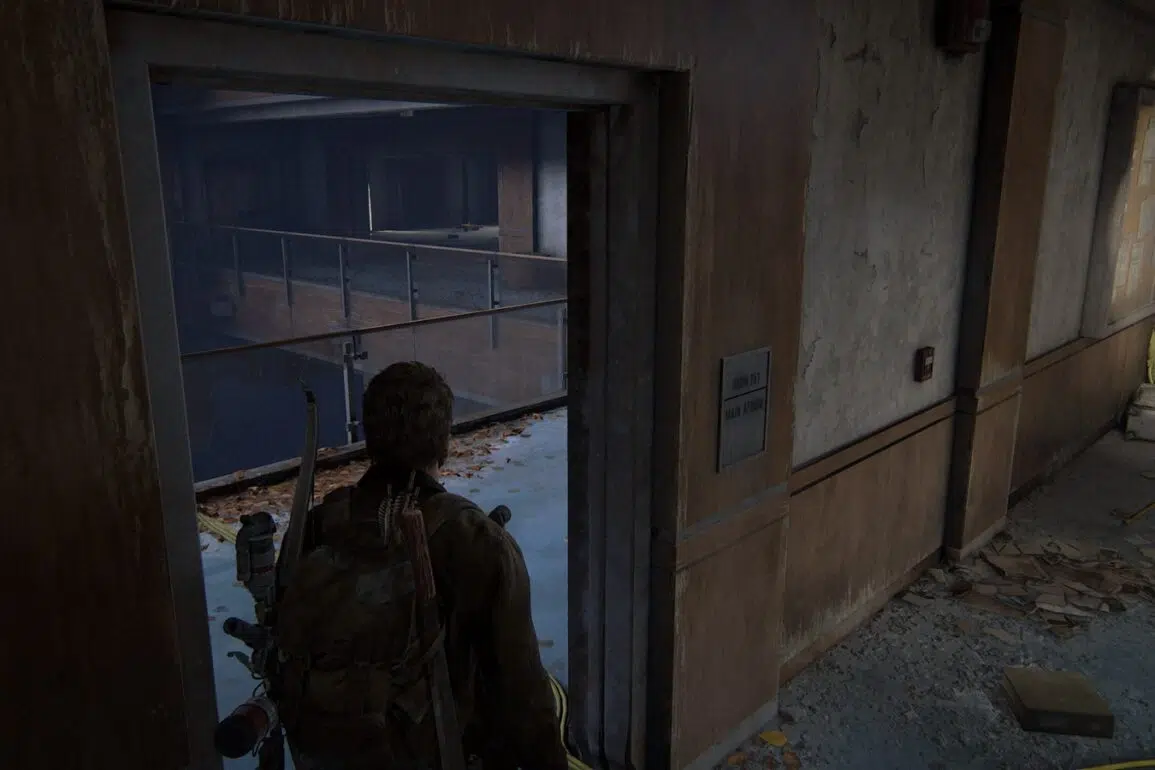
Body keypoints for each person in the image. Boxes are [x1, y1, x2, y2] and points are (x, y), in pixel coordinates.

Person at [272, 361, 569, 770]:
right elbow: (522, 693)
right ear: (443, 440)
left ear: (369, 436)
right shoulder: (474, 540)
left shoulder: (316, 526)